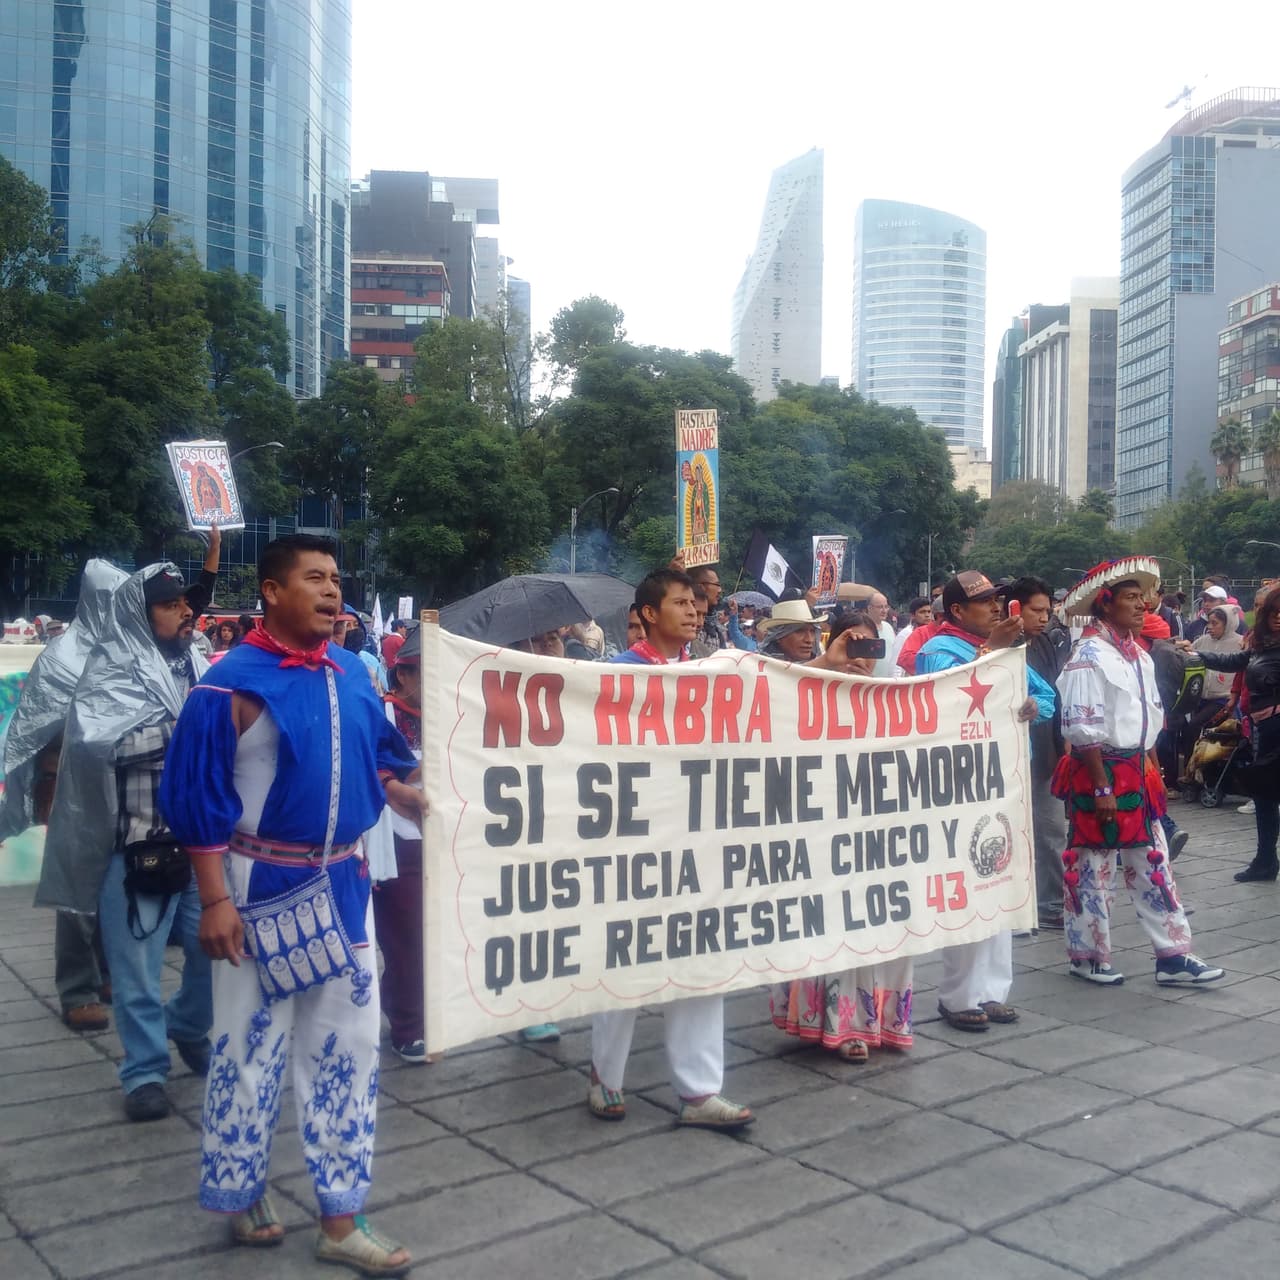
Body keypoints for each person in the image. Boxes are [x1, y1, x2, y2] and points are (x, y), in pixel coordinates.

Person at [158, 535, 420, 1272]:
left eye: (336, 579)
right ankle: (241, 1192)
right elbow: (196, 797)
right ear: (272, 591)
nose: (333, 591)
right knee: (247, 1051)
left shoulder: (351, 673)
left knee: (350, 1051)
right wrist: (213, 900)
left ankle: (341, 1219)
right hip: (254, 890)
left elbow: (378, 758)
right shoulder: (227, 684)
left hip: (344, 887)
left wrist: (408, 793)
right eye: (314, 578)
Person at [35, 564, 214, 1119]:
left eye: (186, 602)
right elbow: (90, 750)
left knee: (215, 958)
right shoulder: (106, 679)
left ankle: (186, 1024)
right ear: (140, 616)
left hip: (199, 851)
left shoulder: (198, 667)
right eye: (170, 604)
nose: (186, 611)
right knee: (136, 973)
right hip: (132, 850)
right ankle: (144, 1072)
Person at [590, 568, 753, 1132]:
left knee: (703, 958)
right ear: (649, 613)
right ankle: (605, 1076)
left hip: (702, 836)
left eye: (697, 603)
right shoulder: (615, 675)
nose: (694, 611)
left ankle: (700, 1089)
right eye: (681, 602)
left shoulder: (712, 673)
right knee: (627, 956)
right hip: (636, 838)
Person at [1055, 559, 1223, 985]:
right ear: (1105, 605)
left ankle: (1173, 954)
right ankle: (1087, 955)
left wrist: (1152, 773)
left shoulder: (1138, 655)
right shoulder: (1088, 655)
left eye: (1142, 599)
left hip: (1137, 769)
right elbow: (1082, 726)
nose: (1142, 606)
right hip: (1101, 771)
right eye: (1131, 599)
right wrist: (1102, 787)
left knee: (1155, 864)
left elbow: (1148, 721)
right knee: (1094, 868)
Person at [769, 609, 913, 1061]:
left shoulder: (896, 696)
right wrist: (829, 665)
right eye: (853, 646)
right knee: (835, 920)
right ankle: (843, 1023)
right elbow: (765, 693)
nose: (862, 658)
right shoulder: (805, 687)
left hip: (883, 831)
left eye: (871, 648)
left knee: (885, 921)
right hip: (824, 829)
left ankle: (885, 1020)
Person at [916, 571, 1054, 1031]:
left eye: (997, 600)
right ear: (957, 611)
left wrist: (1033, 707)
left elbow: (1046, 696)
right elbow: (943, 704)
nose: (996, 608)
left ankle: (994, 989)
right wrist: (993, 651)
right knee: (967, 883)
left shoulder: (1006, 649)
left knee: (1002, 880)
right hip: (962, 783)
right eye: (984, 602)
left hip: (1005, 778)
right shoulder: (937, 650)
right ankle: (958, 995)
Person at [2, 560, 127, 1033]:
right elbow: (34, 726)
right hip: (70, 787)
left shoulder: (130, 653)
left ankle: (110, 969)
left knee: (117, 882)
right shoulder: (62, 657)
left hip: (121, 784)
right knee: (77, 890)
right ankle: (78, 987)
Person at [1189, 585, 1280, 882]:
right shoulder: (1261, 643)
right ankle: (1265, 860)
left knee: (1266, 794)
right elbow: (1233, 662)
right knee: (1265, 796)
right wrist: (1196, 653)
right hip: (1263, 728)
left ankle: (1265, 860)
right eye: (1273, 611)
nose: (1278, 617)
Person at [372, 627, 426, 1063]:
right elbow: (365, 766)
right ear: (402, 675)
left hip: (446, 838)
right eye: (425, 672)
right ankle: (407, 1025)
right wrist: (397, 782)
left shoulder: (456, 713)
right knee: (405, 937)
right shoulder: (382, 715)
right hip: (396, 840)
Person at [1008, 576, 1070, 930]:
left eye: (1048, 610)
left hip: (1045, 749)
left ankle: (1054, 902)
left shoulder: (1046, 643)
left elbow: (1055, 694)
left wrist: (1064, 740)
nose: (1044, 617)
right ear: (1013, 608)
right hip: (1008, 753)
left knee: (1051, 829)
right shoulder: (1000, 646)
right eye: (1036, 610)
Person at [866, 591, 897, 677]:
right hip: (869, 682)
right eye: (880, 607)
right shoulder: (862, 628)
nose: (884, 611)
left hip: (888, 682)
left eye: (886, 607)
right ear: (869, 608)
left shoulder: (889, 627)